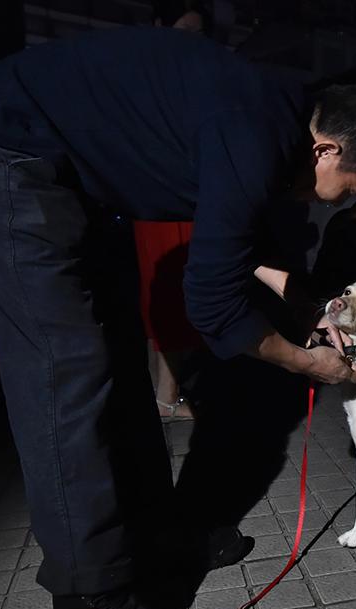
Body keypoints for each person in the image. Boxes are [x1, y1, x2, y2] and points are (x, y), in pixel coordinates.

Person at [0, 26, 356, 609]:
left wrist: (309, 311)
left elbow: (240, 237)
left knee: (115, 358)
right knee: (66, 371)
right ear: (328, 149)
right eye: (347, 190)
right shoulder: (252, 128)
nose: (338, 203)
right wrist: (303, 361)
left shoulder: (272, 121)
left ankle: (153, 534)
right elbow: (213, 303)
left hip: (76, 179)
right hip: (0, 147)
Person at [134, 1, 214, 422]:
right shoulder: (154, 77)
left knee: (170, 296)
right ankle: (166, 397)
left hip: (177, 199)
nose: (190, 42)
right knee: (170, 296)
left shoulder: (181, 75)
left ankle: (161, 391)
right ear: (157, 26)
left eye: (198, 34)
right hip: (162, 199)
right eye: (183, 30)